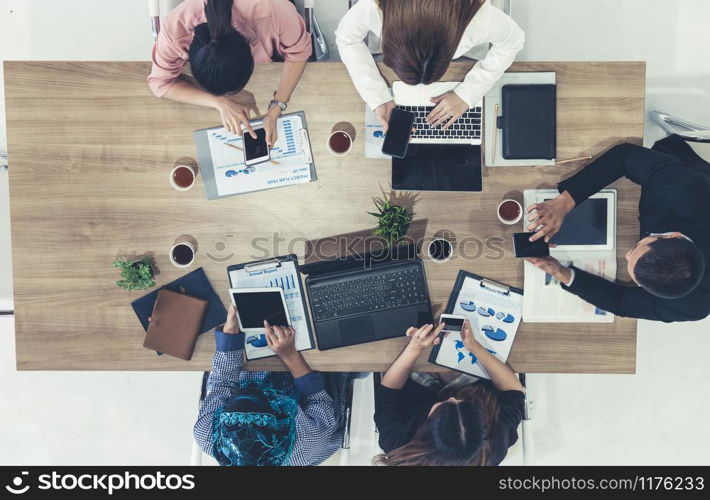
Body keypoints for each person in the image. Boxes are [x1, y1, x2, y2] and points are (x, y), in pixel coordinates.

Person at [525, 135, 710, 322]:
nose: (626, 255)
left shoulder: (695, 306)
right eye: (635, 249)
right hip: (680, 176)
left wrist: (560, 273)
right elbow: (625, 157)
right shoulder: (687, 188)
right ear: (672, 236)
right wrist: (563, 203)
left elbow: (622, 302)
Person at [194, 305, 357, 466]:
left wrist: (230, 333)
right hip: (312, 384)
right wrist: (290, 355)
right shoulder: (307, 443)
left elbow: (223, 383)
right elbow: (319, 400)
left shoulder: (206, 433)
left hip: (250, 369)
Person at [335, 0, 524, 131]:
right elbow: (346, 38)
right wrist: (376, 96)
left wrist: (469, 93)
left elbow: (514, 40)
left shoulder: (477, 19)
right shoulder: (374, 7)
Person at [148, 0, 311, 145]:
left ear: (249, 50)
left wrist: (277, 106)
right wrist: (218, 103)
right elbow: (160, 83)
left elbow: (299, 53)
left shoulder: (274, 10)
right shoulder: (176, 26)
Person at [373, 321, 525, 466]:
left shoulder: (398, 445)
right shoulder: (493, 448)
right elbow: (514, 391)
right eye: (462, 404)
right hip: (473, 384)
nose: (452, 398)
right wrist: (475, 347)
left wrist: (414, 348)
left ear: (426, 427)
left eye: (443, 406)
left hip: (416, 386)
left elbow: (388, 392)